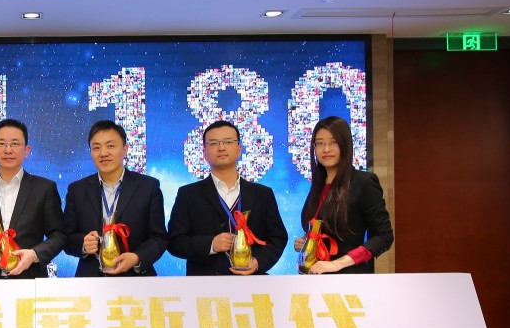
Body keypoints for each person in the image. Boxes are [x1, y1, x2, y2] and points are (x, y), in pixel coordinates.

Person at [167, 120, 288, 275]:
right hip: (203, 284)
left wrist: (258, 262)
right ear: (204, 152)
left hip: (253, 283)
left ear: (239, 149)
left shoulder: (263, 194)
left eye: (228, 142)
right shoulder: (188, 194)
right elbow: (174, 242)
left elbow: (277, 238)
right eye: (213, 143)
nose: (221, 147)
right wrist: (211, 244)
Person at [0, 118, 66, 279]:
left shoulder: (44, 188)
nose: (8, 150)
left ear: (26, 150)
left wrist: (34, 254)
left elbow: (59, 234)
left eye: (15, 144)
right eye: (1, 144)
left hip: (30, 280)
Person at [63, 120, 167, 277]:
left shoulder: (148, 187)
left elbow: (159, 238)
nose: (103, 153)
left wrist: (137, 258)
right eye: (96, 147)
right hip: (90, 281)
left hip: (136, 280)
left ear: (125, 149)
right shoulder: (77, 190)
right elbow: (66, 238)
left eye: (110, 146)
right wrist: (83, 244)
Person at [294, 116, 393, 274]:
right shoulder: (318, 185)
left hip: (350, 277)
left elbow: (384, 236)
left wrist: (338, 263)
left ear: (345, 145)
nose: (326, 149)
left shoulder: (364, 182)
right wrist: (307, 242)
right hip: (314, 277)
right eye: (320, 143)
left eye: (333, 142)